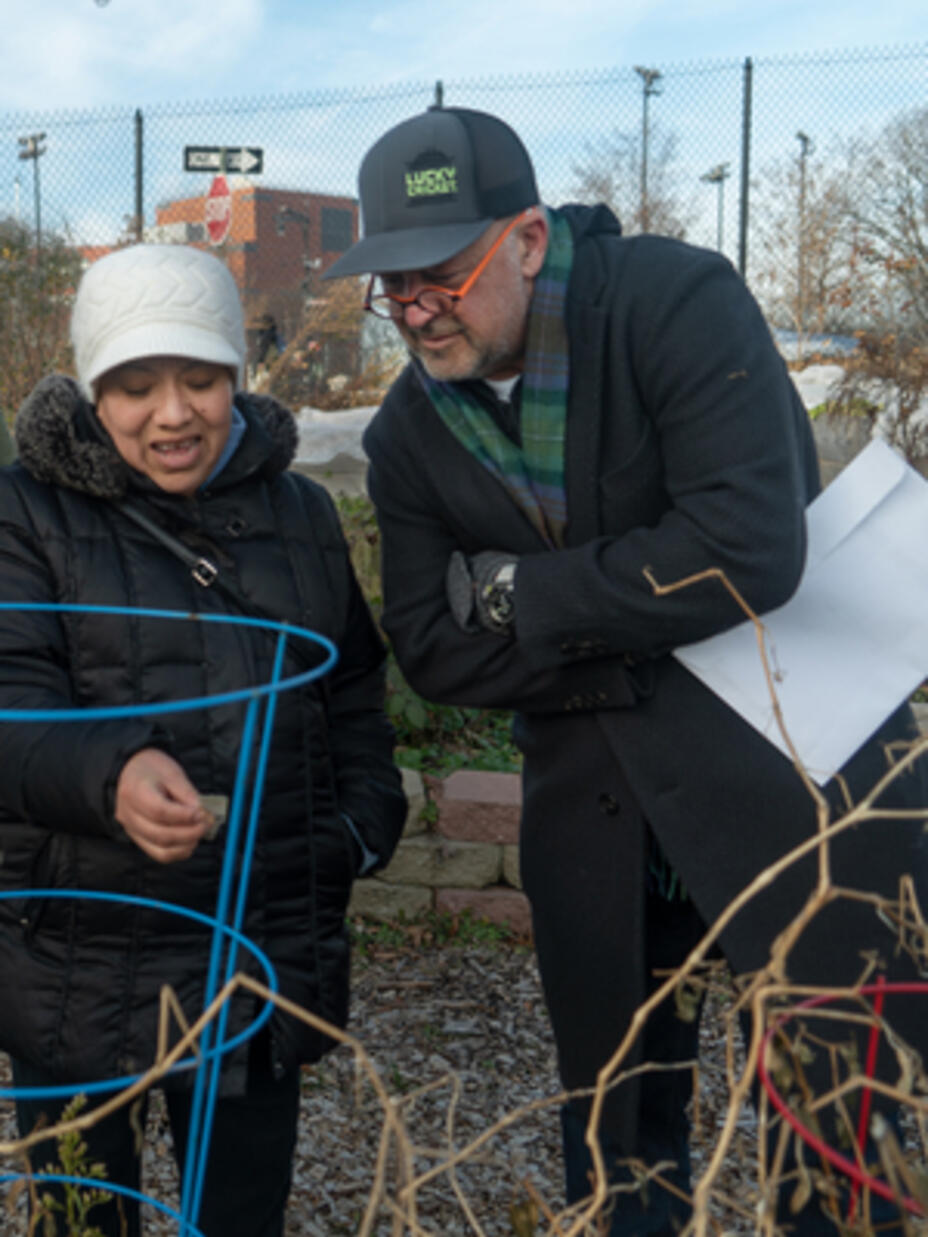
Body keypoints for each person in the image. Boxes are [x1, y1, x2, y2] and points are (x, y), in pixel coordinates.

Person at [325, 105, 928, 1234]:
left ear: (530, 239)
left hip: (792, 779)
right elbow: (431, 645)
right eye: (390, 286)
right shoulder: (404, 435)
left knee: (839, 1116)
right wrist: (653, 619)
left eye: (441, 275)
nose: (413, 310)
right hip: (594, 813)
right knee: (613, 1132)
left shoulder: (672, 304)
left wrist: (518, 593)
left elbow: (751, 548)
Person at [0, 243, 406, 1237]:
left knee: (239, 1215)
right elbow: (9, 699)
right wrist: (113, 774)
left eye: (200, 378)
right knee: (85, 1218)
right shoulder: (26, 512)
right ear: (94, 389)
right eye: (136, 385)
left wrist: (358, 819)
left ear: (237, 377)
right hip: (79, 962)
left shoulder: (299, 515)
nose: (172, 412)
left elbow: (349, 678)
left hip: (251, 950)